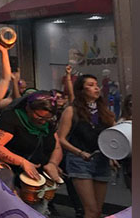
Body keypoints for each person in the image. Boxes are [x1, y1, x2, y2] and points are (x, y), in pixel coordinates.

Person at [0, 92, 63, 215]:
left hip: (35, 179)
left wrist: (53, 163)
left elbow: (57, 147)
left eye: (47, 118)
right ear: (28, 108)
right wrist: (22, 162)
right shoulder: (12, 118)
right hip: (7, 174)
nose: (43, 122)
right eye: (39, 117)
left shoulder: (50, 123)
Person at [56, 74, 116, 218]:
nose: (96, 88)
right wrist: (79, 152)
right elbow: (61, 138)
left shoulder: (105, 111)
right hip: (80, 161)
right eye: (90, 85)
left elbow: (112, 136)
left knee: (98, 210)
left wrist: (113, 156)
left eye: (96, 84)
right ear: (81, 90)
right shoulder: (71, 110)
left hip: (101, 159)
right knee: (91, 210)